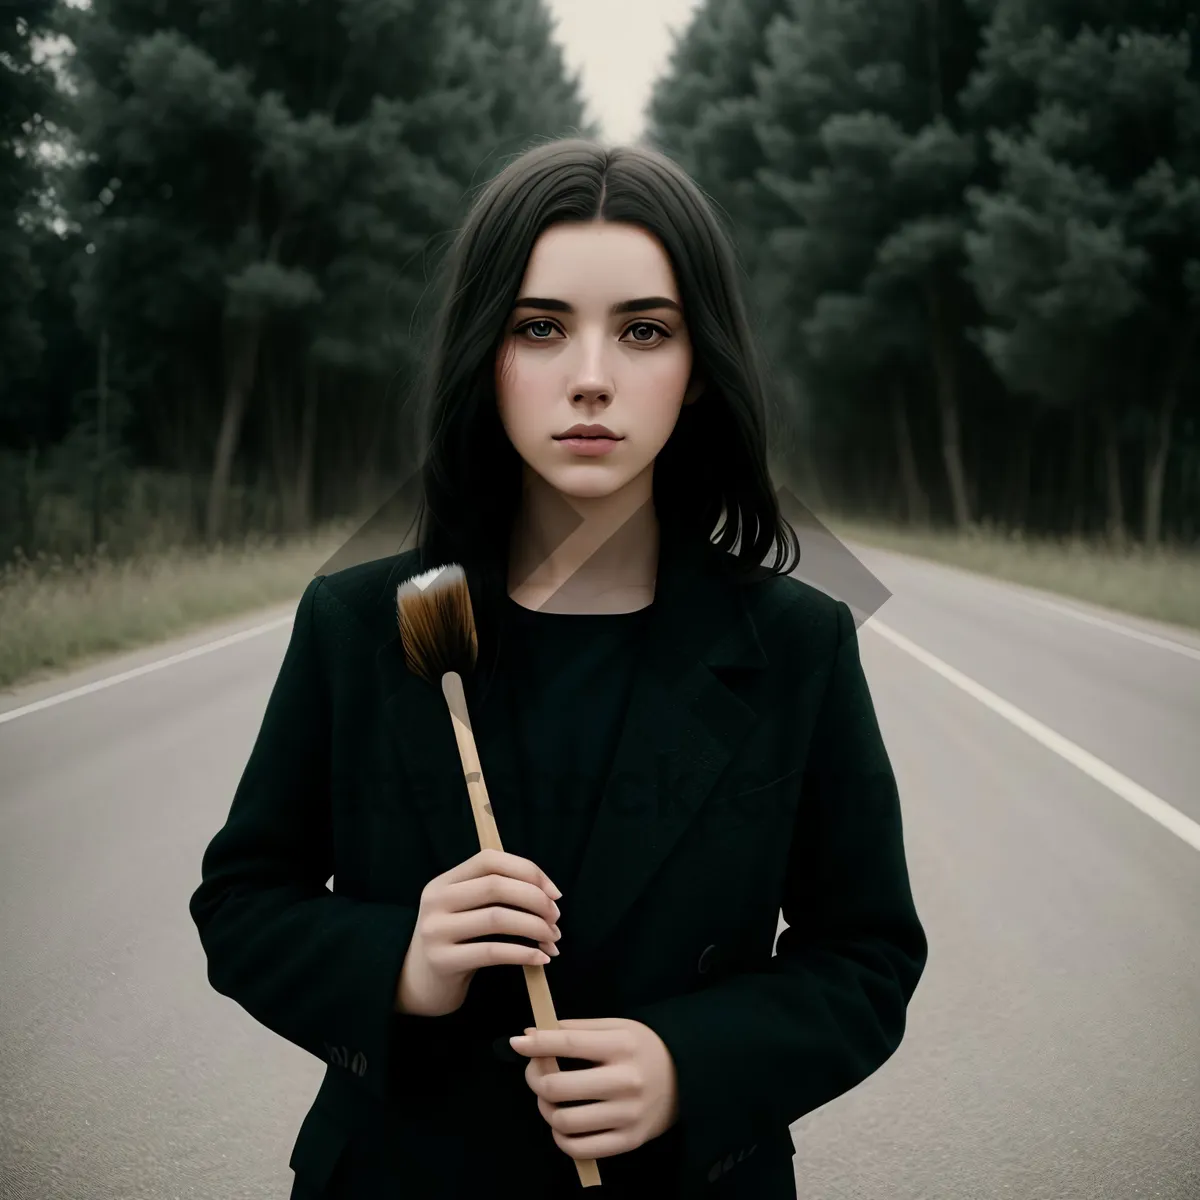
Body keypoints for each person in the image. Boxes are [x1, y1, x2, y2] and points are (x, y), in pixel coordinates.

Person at [189, 137, 928, 1199]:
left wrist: (689, 1066)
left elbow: (866, 955)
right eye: (540, 328)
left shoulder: (797, 644)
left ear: (700, 372)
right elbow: (244, 902)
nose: (591, 378)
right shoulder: (360, 622)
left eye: (644, 330)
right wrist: (403, 960)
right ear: (483, 356)